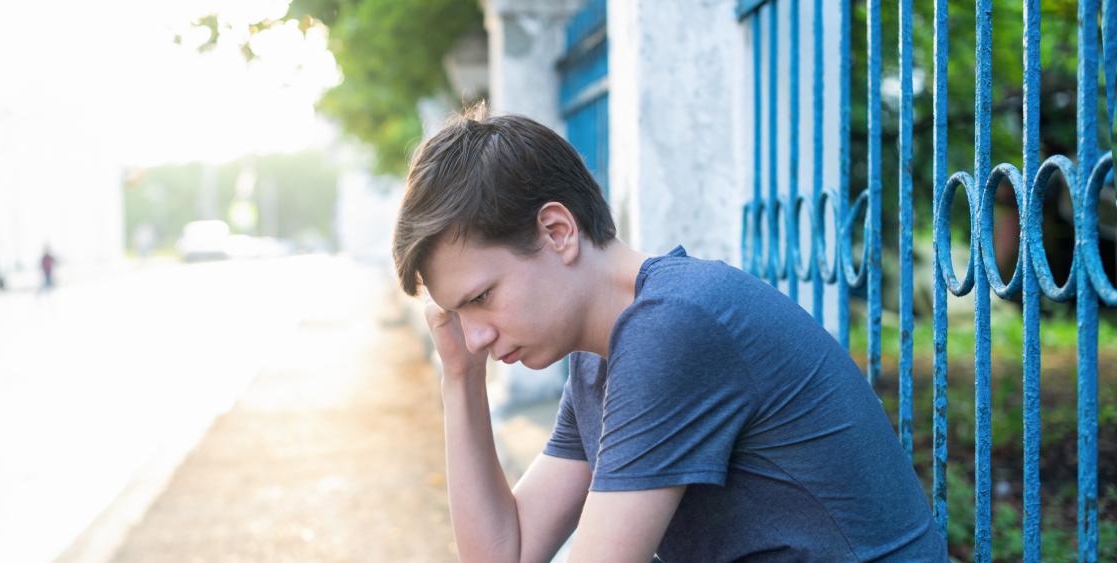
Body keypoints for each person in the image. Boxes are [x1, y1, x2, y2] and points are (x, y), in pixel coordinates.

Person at [391, 108, 948, 562]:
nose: (478, 335)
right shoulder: (601, 358)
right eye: (459, 313)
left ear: (557, 231)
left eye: (482, 297)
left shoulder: (674, 327)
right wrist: (460, 377)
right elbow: (502, 556)